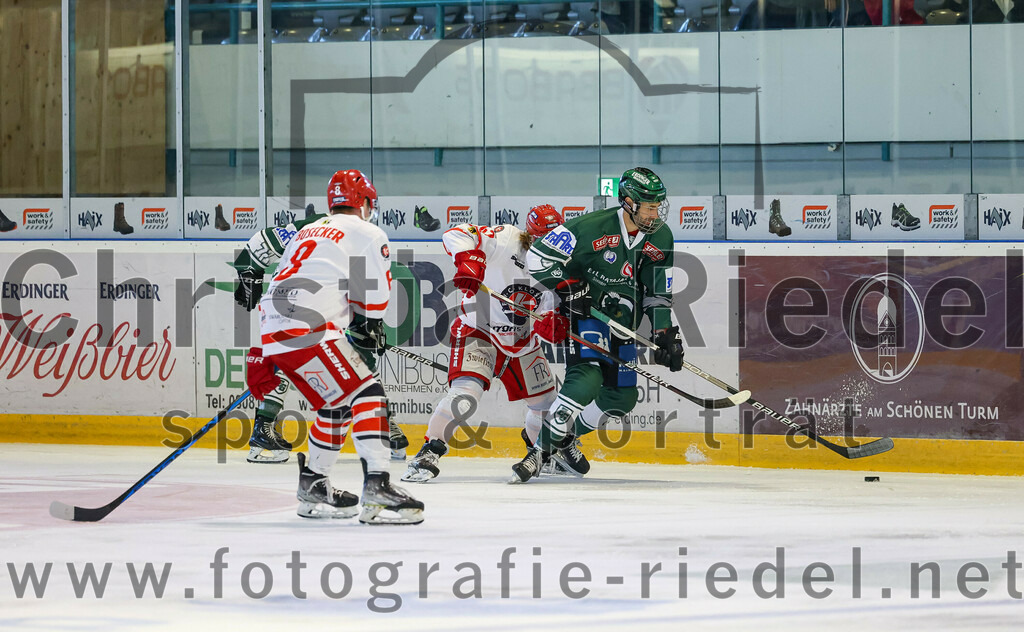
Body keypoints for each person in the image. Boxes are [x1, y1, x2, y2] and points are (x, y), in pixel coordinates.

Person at [244, 169, 424, 524]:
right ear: (365, 202)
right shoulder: (368, 232)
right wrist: (367, 323)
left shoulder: (308, 230)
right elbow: (373, 301)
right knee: (369, 393)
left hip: (273, 327)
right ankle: (378, 486)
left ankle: (314, 484)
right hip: (309, 327)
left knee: (336, 403)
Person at [521, 167, 685, 482]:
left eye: (657, 206)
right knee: (587, 379)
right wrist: (568, 286)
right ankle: (541, 450)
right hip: (589, 316)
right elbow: (538, 257)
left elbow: (658, 291)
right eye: (649, 207)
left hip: (624, 324)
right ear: (628, 202)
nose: (655, 213)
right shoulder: (590, 227)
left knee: (621, 397)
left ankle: (564, 437)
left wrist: (663, 333)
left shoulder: (661, 236)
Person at [401, 205, 570, 484]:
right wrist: (469, 260)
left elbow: (553, 308)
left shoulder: (562, 263)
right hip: (478, 330)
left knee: (546, 405)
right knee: (465, 395)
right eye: (540, 241)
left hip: (523, 342)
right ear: (530, 236)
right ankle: (429, 451)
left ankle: (543, 453)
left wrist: (553, 321)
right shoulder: (506, 238)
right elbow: (456, 234)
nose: (546, 248)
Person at [233, 199, 409, 464]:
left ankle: (263, 428)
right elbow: (369, 291)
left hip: (290, 305)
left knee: (296, 361)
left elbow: (262, 242)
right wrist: (371, 322)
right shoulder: (358, 231)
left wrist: (250, 274)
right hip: (313, 305)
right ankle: (381, 425)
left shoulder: (315, 226)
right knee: (356, 362)